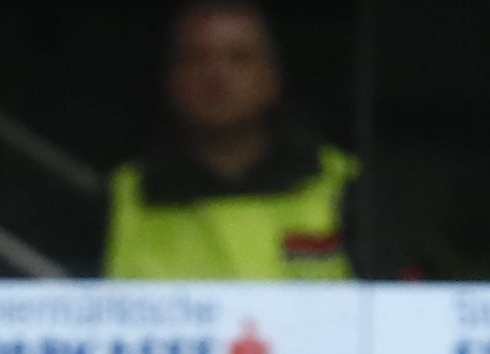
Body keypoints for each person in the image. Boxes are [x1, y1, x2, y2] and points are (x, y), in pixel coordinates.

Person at [104, 0, 357, 280]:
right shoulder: (120, 197)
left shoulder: (344, 187)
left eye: (239, 58)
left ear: (272, 78)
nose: (216, 75)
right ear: (171, 79)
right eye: (197, 57)